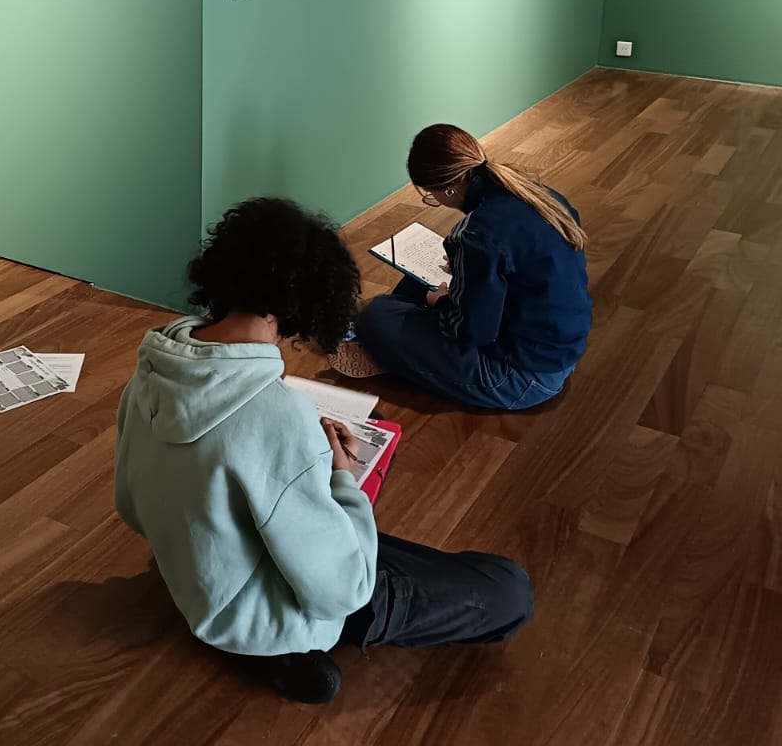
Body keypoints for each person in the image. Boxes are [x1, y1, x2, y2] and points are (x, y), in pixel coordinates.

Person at [113, 197, 534, 704]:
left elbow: (129, 505)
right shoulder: (278, 417)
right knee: (509, 590)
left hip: (194, 567)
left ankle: (239, 617)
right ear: (306, 301)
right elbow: (344, 590)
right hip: (265, 609)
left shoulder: (154, 366)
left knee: (402, 558)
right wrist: (342, 480)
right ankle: (276, 649)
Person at [335, 124, 592, 410]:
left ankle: (384, 341)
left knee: (376, 314)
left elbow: (472, 332)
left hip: (519, 376)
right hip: (558, 352)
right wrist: (465, 270)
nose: (435, 200)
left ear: (448, 188)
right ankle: (397, 333)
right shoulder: (543, 197)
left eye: (430, 195)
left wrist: (439, 302)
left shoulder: (478, 234)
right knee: (415, 284)